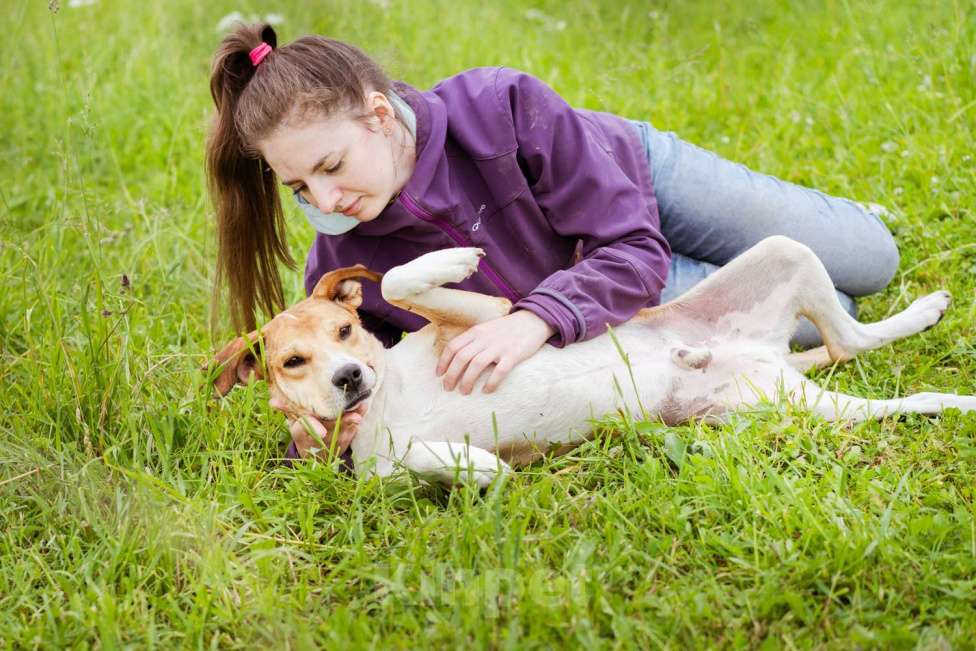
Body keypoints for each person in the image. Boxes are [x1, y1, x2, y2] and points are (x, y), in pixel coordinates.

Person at [206, 23, 898, 458]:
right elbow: (356, 379)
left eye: (331, 166)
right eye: (300, 188)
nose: (326, 201)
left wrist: (535, 319)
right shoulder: (342, 267)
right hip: (612, 297)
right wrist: (318, 431)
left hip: (632, 197)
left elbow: (631, 246)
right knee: (832, 310)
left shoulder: (498, 105)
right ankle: (755, 265)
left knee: (872, 260)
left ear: (379, 114)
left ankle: (830, 214)